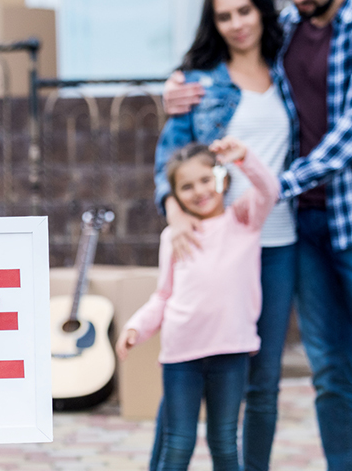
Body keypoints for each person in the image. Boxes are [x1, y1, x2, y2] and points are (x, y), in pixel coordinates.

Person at [163, 0, 352, 470]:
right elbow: (236, 67)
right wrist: (176, 85)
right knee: (329, 372)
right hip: (305, 224)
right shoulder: (288, 24)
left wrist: (272, 185)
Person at [150, 0, 297, 471]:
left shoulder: (289, 70)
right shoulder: (197, 82)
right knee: (188, 370)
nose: (237, 24)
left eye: (245, 11)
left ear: (261, 11)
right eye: (224, 16)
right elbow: (168, 159)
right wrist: (173, 210)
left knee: (264, 381)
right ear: (213, 24)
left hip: (279, 240)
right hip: (217, 243)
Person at [119, 138, 279, 471]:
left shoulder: (244, 221)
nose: (199, 191)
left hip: (231, 352)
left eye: (206, 180)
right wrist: (137, 326)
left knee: (224, 442)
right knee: (178, 442)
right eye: (187, 186)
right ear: (175, 196)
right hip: (182, 357)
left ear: (221, 178)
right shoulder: (174, 236)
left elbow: (270, 190)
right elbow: (163, 296)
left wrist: (245, 158)